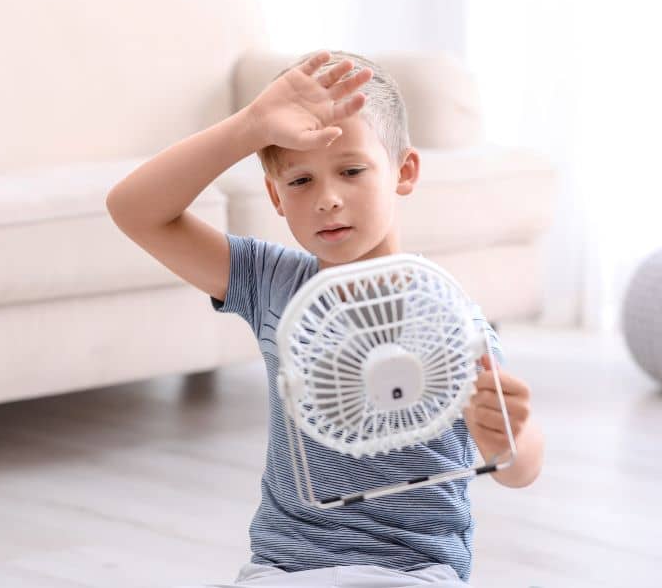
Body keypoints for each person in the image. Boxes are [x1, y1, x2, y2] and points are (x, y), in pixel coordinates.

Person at [106, 50, 545, 587]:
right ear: (274, 195)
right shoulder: (268, 281)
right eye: (300, 181)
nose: (328, 200)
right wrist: (249, 127)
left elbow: (521, 470)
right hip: (283, 567)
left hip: (412, 570)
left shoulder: (447, 313)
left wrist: (509, 439)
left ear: (403, 171)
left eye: (352, 171)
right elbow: (133, 209)